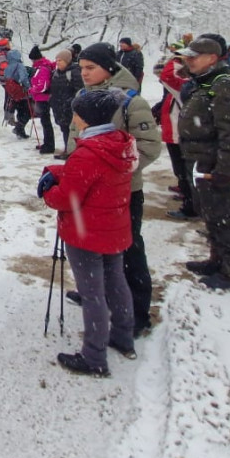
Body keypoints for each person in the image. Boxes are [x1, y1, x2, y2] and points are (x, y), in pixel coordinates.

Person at [38, 85, 137, 376]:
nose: (74, 119)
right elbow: (96, 179)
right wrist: (60, 172)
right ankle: (123, 336)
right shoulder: (119, 143)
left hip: (86, 232)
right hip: (113, 227)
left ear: (85, 118)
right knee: (116, 282)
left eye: (77, 114)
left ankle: (94, 357)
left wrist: (48, 193)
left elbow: (67, 198)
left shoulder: (88, 153)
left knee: (92, 293)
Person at [77, 44, 160, 333]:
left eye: (91, 68)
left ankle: (136, 312)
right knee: (92, 245)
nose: (84, 73)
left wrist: (114, 173)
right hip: (89, 190)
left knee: (128, 249)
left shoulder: (130, 101)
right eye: (82, 68)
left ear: (109, 68)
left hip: (123, 191)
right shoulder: (84, 96)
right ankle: (97, 293)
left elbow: (149, 147)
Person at [178, 37, 230, 290]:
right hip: (199, 159)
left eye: (193, 57)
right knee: (210, 213)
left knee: (223, 215)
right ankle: (217, 259)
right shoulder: (206, 82)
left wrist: (226, 169)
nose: (188, 61)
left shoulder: (225, 85)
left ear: (211, 58)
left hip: (213, 162)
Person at [154, 45, 194, 214]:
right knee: (181, 169)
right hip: (175, 132)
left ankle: (190, 203)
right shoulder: (179, 88)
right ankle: (186, 191)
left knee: (184, 168)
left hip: (181, 133)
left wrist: (177, 57)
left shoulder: (186, 86)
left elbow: (168, 76)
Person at [0, 36, 28, 132]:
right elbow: (5, 67)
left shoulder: (6, 54)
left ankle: (10, 117)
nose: (10, 45)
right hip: (7, 80)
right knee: (11, 97)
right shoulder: (2, 55)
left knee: (11, 97)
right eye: (8, 43)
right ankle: (9, 118)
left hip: (8, 80)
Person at [27, 44, 57, 153]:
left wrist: (31, 90)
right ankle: (47, 143)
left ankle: (49, 145)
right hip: (42, 98)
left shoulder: (42, 68)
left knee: (46, 122)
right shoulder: (42, 67)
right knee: (45, 122)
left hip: (43, 98)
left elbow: (42, 86)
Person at [48, 49, 78, 154]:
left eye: (60, 60)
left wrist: (70, 102)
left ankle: (72, 151)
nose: (58, 63)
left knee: (72, 130)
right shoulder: (56, 73)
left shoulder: (74, 72)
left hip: (69, 107)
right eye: (56, 60)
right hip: (59, 107)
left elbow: (79, 90)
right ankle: (68, 149)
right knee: (64, 129)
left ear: (67, 61)